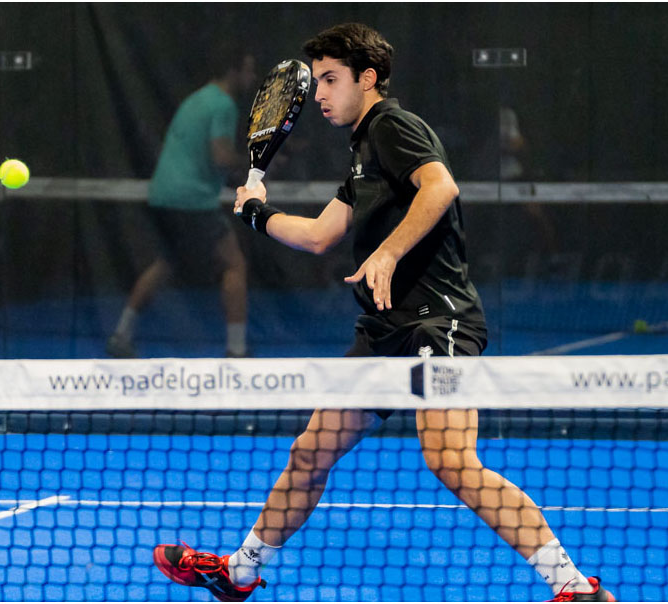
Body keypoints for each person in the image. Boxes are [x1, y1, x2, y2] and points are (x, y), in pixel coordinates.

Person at [153, 24, 614, 603]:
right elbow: (320, 235)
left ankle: (575, 587)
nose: (319, 94)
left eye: (330, 79)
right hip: (384, 333)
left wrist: (390, 252)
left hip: (438, 323)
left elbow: (440, 187)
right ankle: (238, 574)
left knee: (451, 459)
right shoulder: (362, 154)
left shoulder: (393, 127)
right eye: (316, 81)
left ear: (367, 78)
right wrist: (257, 214)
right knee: (310, 451)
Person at [107, 51, 257, 359]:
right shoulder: (223, 104)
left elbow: (196, 154)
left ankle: (121, 335)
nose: (252, 78)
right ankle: (237, 351)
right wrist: (254, 163)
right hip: (191, 200)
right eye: (248, 71)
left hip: (162, 195)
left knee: (166, 262)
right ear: (233, 71)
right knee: (233, 264)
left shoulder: (196, 99)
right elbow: (221, 157)